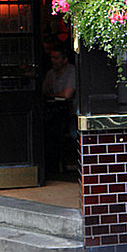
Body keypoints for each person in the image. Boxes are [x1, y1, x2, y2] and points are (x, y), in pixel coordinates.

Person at [42, 44, 76, 175]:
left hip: (71, 113)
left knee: (70, 134)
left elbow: (67, 94)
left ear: (65, 60)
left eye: (56, 58)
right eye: (52, 58)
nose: (53, 61)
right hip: (55, 111)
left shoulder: (72, 71)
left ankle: (69, 164)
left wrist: (51, 95)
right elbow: (43, 92)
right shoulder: (51, 73)